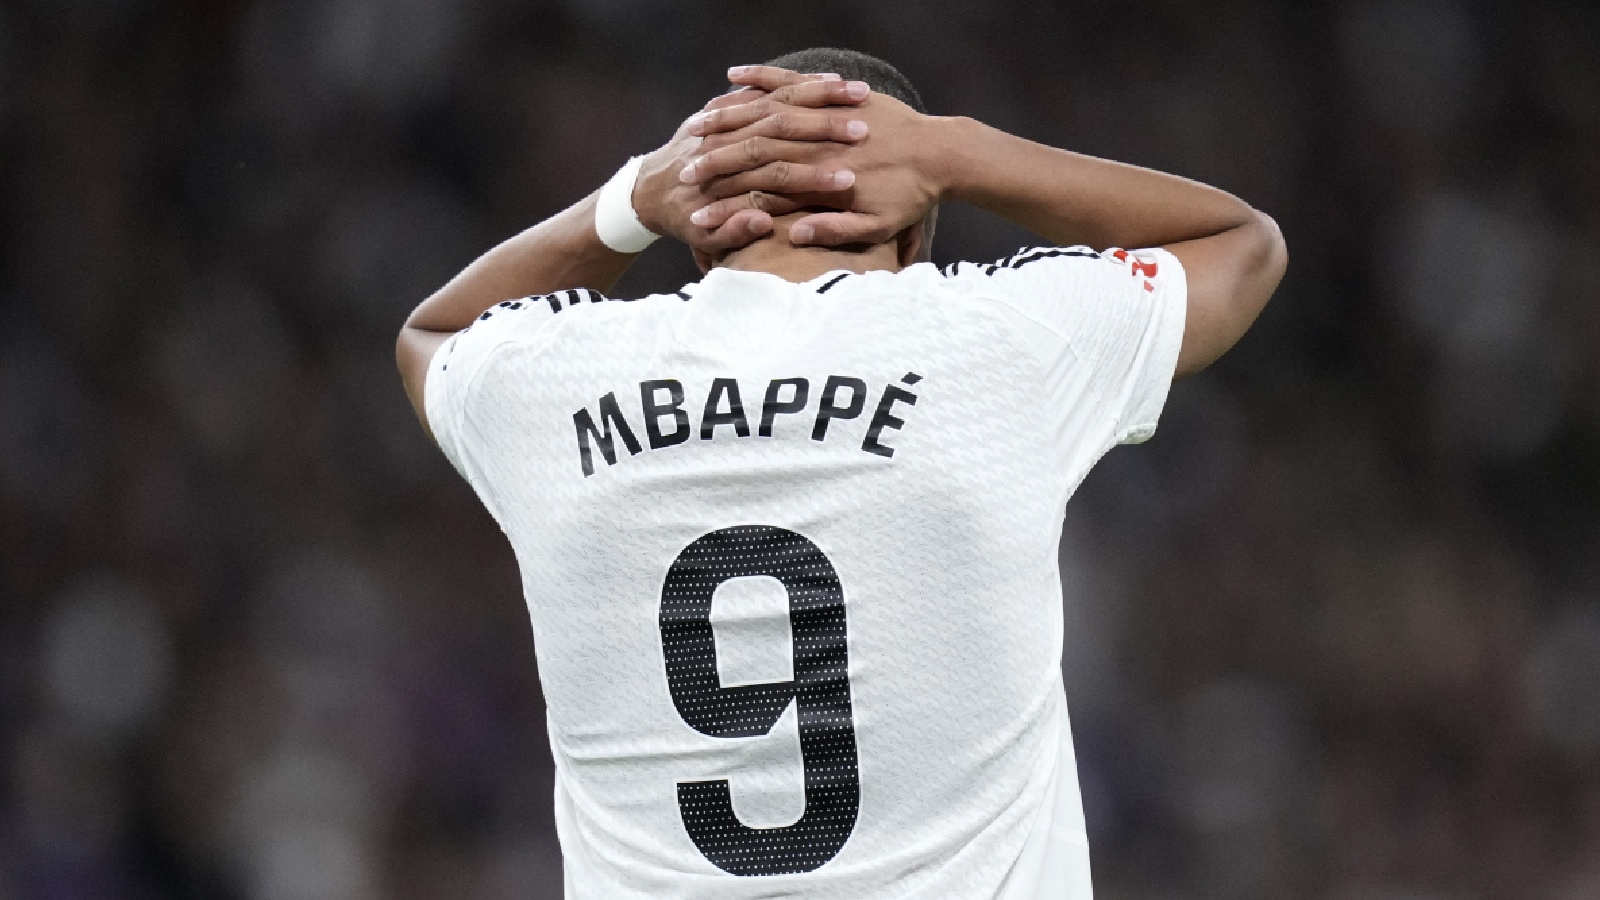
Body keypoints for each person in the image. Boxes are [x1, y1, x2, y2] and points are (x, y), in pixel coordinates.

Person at [396, 48, 1285, 900]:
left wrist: (628, 201)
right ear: (916, 229)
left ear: (702, 232)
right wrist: (955, 152)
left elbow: (433, 336)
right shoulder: (994, 341)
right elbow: (1240, 245)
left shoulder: (560, 378)